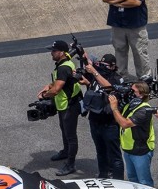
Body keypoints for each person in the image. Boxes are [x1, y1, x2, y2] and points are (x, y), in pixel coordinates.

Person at [37, 40, 83, 176]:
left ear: (61, 53)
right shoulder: (64, 63)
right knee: (64, 129)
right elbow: (58, 81)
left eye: (53, 51)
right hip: (64, 105)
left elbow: (57, 89)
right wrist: (48, 86)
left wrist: (45, 96)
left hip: (69, 106)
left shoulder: (63, 67)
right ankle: (65, 151)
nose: (51, 53)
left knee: (70, 135)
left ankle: (70, 164)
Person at [101, 0, 150, 77]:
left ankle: (144, 78)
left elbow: (137, 1)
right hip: (117, 23)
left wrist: (115, 1)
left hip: (135, 25)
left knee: (139, 52)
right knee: (119, 50)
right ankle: (121, 76)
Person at [81, 53, 125, 179]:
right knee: (100, 152)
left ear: (112, 66)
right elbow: (93, 82)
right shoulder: (96, 75)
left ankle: (118, 181)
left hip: (109, 123)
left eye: (105, 65)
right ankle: (103, 177)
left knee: (114, 155)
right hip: (94, 120)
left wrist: (95, 72)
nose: (102, 67)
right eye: (101, 64)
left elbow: (110, 88)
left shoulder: (117, 79)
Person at [109, 81, 155, 187]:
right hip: (128, 149)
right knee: (132, 179)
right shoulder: (130, 105)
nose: (130, 93)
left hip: (140, 151)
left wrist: (114, 108)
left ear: (141, 94)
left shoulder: (144, 110)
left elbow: (124, 123)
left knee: (144, 182)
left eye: (133, 91)